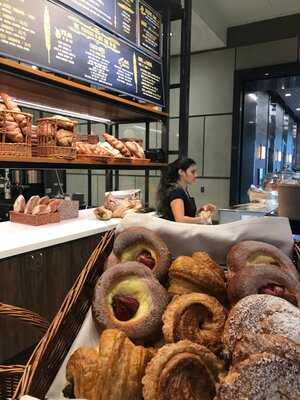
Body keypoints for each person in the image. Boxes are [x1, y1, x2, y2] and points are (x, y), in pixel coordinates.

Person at [157, 158, 216, 223]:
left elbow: (187, 214)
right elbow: (180, 220)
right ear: (181, 172)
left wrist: (202, 210)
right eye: (192, 172)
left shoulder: (183, 190)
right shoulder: (176, 192)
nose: (196, 175)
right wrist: (202, 219)